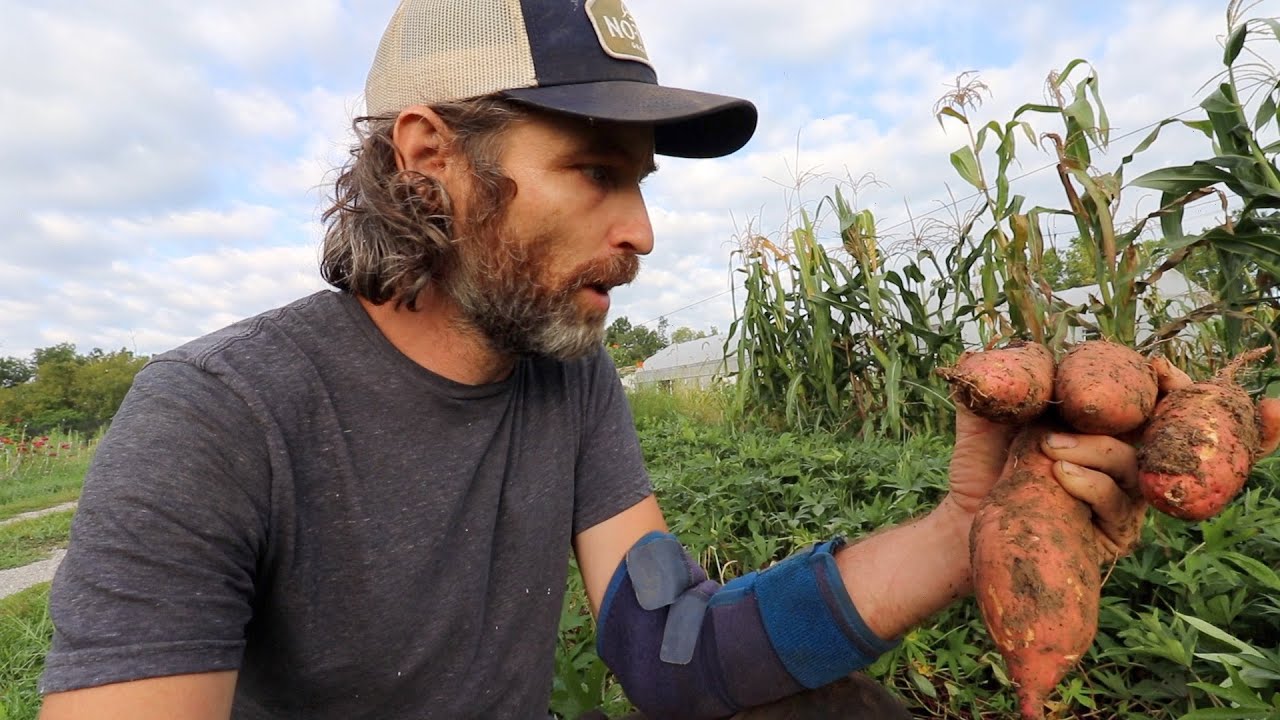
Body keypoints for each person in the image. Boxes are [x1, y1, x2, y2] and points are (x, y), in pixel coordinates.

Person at [35, 1, 1280, 719]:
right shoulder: (216, 419)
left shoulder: (565, 379)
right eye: (593, 171)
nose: (639, 231)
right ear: (426, 155)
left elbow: (662, 646)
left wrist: (970, 528)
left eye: (640, 184)